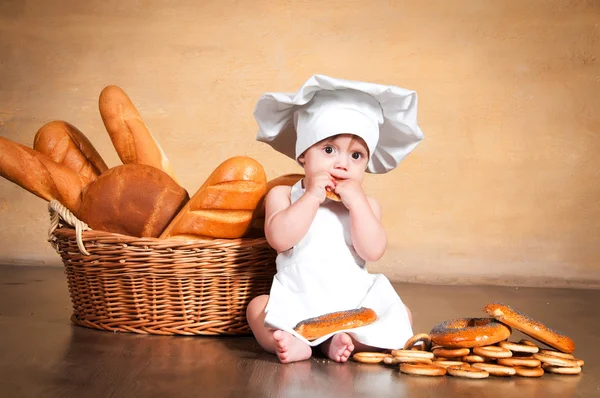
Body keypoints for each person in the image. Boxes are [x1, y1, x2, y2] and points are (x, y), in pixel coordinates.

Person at [246, 74, 424, 364]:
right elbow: (280, 239)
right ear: (303, 154)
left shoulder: (367, 205)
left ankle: (345, 341)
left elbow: (372, 251)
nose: (342, 164)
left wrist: (358, 206)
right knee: (257, 307)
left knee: (402, 314)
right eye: (329, 150)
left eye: (356, 155)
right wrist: (311, 197)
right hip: (298, 297)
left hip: (353, 303)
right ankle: (295, 342)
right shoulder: (283, 195)